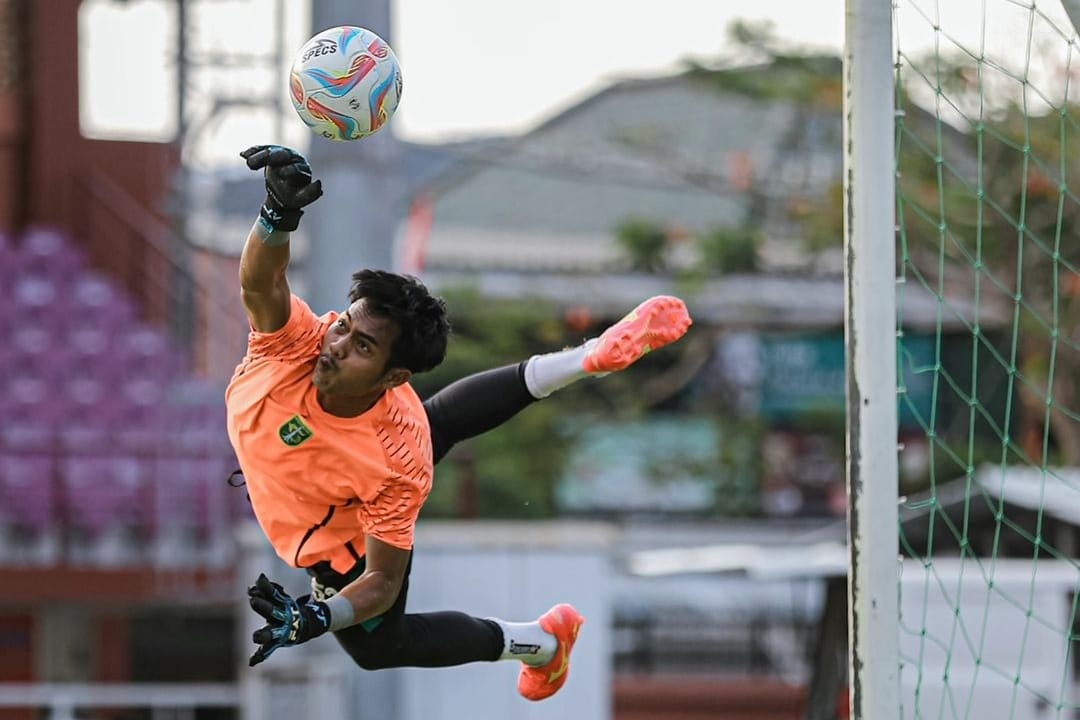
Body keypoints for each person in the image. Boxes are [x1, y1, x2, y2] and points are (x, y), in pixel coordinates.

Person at [225, 145, 692, 701]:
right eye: (345, 326)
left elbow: (380, 584)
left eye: (363, 345)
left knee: (380, 650)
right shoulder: (301, 342)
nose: (338, 345)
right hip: (354, 458)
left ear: (395, 374)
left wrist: (318, 616)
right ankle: (586, 357)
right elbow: (261, 283)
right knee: (436, 423)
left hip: (341, 537)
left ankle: (540, 643)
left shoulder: (396, 459)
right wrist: (277, 212)